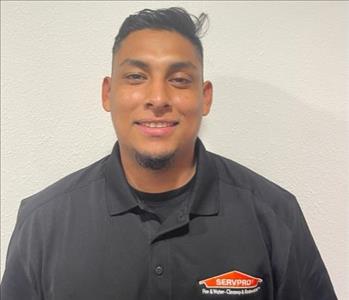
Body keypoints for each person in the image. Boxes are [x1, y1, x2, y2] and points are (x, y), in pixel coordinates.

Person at [1, 7, 337, 300]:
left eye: (178, 80)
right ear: (108, 93)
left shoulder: (275, 216)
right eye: (136, 77)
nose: (158, 98)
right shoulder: (42, 224)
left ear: (205, 98)